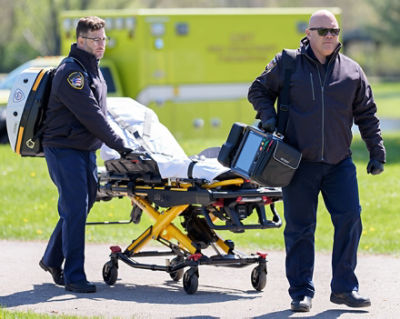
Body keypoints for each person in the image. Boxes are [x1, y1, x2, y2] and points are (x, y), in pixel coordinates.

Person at [248, 9, 386, 312]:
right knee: (300, 228)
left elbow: (367, 115)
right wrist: (268, 116)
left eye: (334, 31)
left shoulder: (351, 71)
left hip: (339, 163)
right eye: (322, 31)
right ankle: (301, 292)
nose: (329, 37)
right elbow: (258, 90)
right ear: (308, 33)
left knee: (350, 219)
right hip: (296, 163)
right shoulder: (287, 63)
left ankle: (345, 289)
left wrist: (377, 152)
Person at [39, 16, 132, 293]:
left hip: (84, 150)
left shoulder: (93, 68)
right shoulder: (72, 72)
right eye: (96, 40)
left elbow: (101, 113)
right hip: (64, 149)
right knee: (76, 208)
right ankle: (74, 277)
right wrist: (120, 145)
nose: (101, 44)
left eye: (104, 39)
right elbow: (91, 115)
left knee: (80, 205)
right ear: (81, 41)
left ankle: (52, 259)